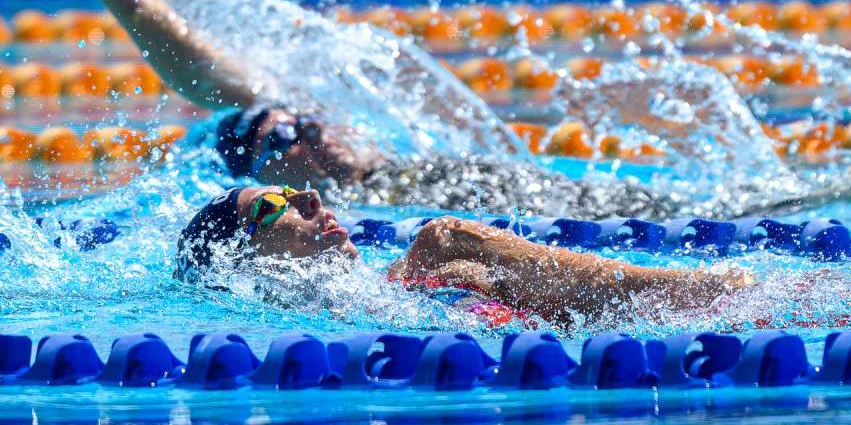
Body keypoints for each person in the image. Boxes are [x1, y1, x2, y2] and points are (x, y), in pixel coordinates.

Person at [0, 0, 692, 220]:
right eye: (280, 140)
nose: (305, 131)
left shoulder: (401, 168)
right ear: (270, 182)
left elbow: (207, 67)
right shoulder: (349, 225)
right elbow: (202, 80)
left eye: (299, 121)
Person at [173, 184, 749, 326]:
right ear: (239, 258)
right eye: (272, 204)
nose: (309, 197)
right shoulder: (287, 320)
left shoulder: (410, 274)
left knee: (441, 239)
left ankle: (711, 292)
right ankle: (720, 293)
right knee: (441, 239)